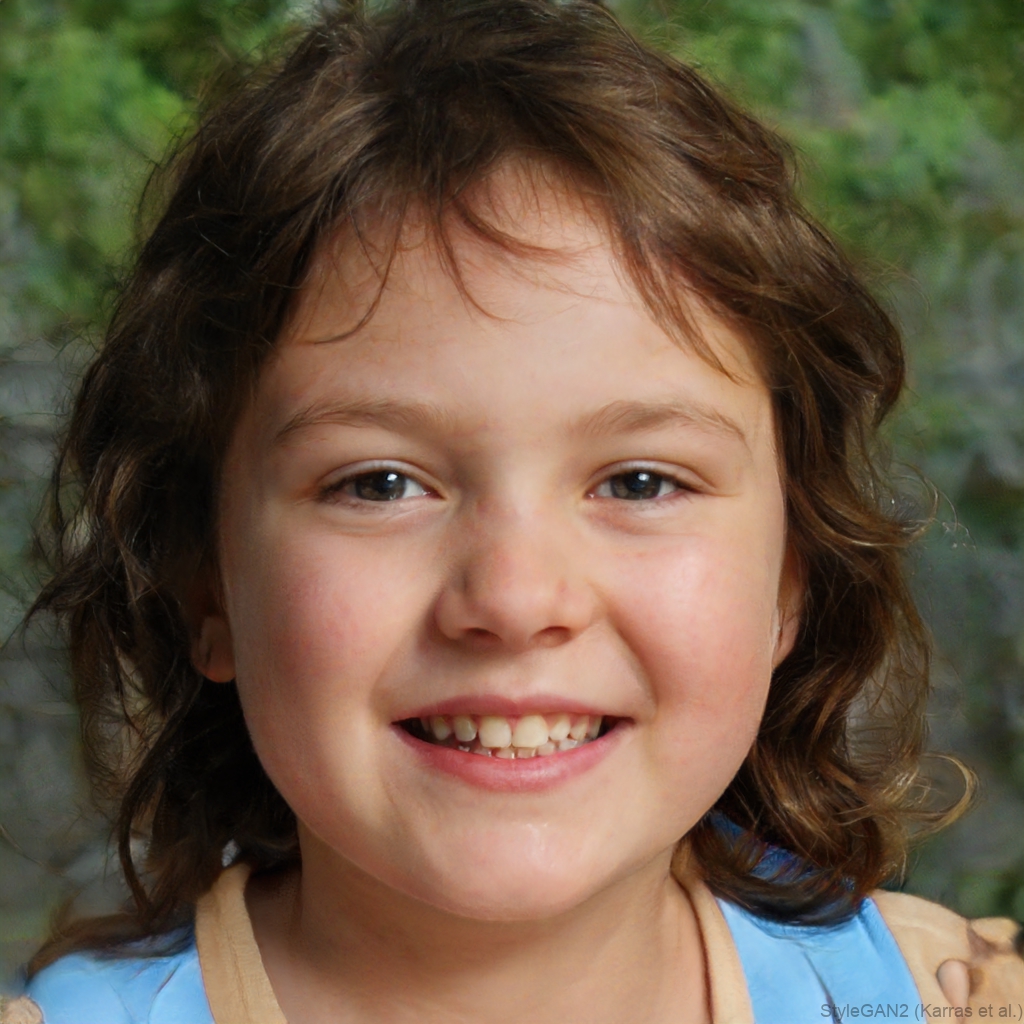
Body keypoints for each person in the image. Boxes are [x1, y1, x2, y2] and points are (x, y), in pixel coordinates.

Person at [3, 1, 1021, 1021]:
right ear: (206, 585)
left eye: (640, 482)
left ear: (789, 579)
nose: (516, 599)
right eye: (380, 484)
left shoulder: (952, 999)